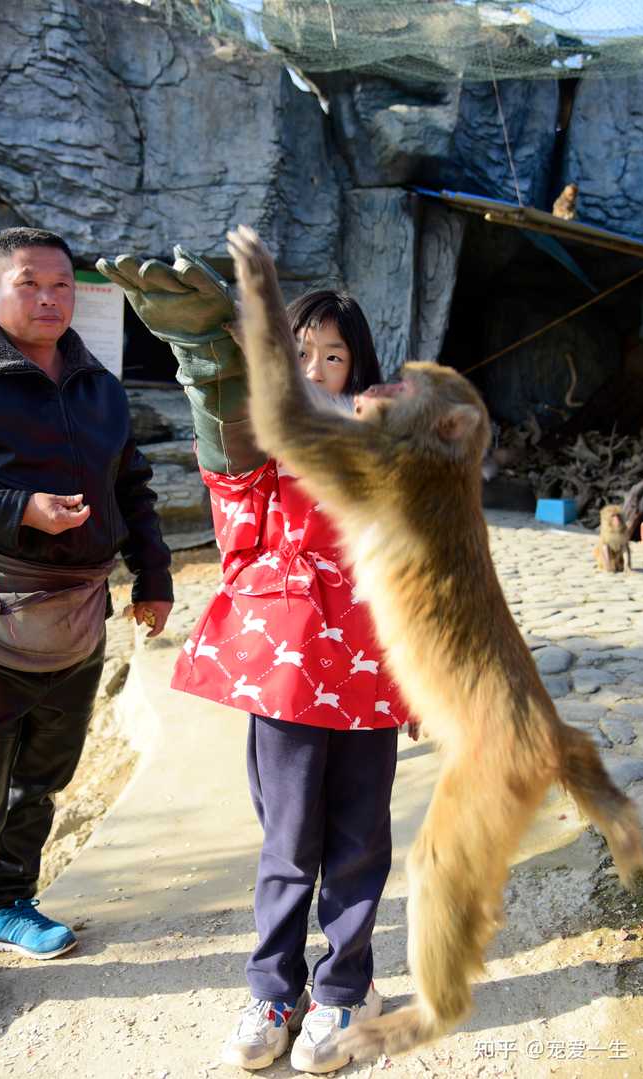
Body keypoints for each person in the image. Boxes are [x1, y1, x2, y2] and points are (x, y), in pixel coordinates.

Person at [98, 247, 417, 1076]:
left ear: (359, 365)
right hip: (288, 671)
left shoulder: (387, 436)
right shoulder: (263, 439)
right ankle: (273, 990)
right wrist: (208, 365)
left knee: (359, 839)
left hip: (373, 674)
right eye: (300, 351)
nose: (316, 368)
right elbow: (227, 462)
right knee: (287, 840)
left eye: (334, 355)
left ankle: (345, 985)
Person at [0, 227, 173, 1040]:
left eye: (62, 285)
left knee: (44, 776)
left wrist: (154, 575)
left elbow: (132, 486)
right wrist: (19, 510)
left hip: (76, 617)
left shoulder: (98, 385)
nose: (49, 298)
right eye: (30, 283)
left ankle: (7, 902)